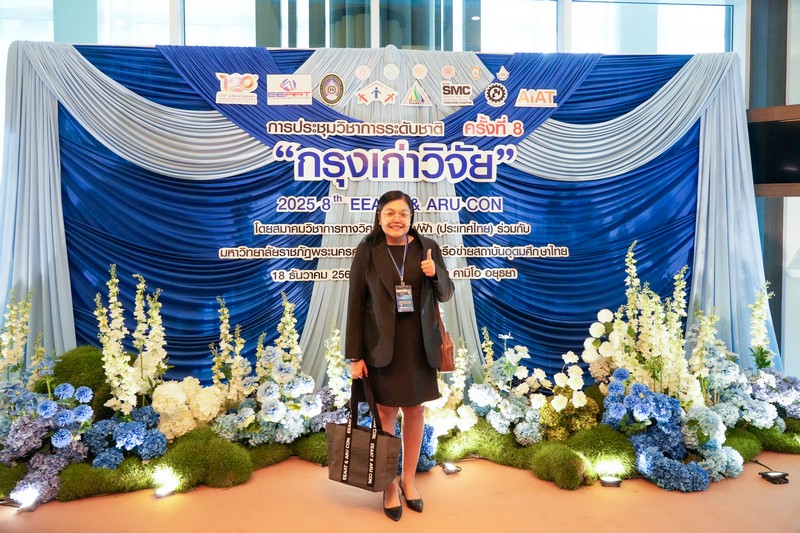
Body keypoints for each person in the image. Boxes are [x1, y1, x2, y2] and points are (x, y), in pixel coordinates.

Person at [346, 190, 454, 522]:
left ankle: (409, 480)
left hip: (419, 345)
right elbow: (355, 304)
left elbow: (447, 293)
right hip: (382, 347)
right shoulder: (367, 250)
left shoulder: (427, 247)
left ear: (411, 217)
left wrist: (435, 273)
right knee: (386, 413)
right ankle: (389, 485)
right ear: (379, 217)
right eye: (390, 213)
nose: (397, 219)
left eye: (403, 213)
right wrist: (354, 356)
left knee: (416, 411)